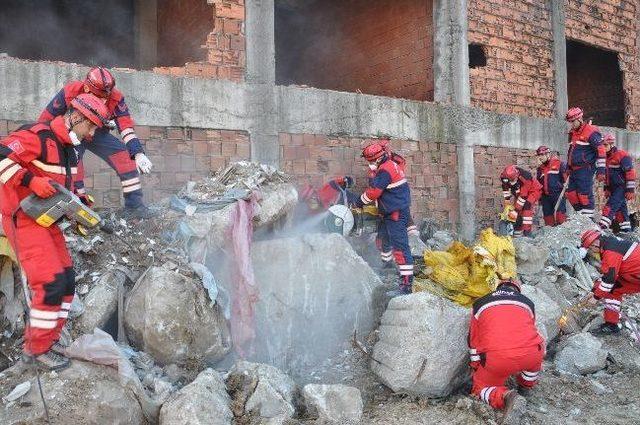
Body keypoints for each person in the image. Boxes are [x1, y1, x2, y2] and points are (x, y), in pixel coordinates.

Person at [1, 93, 110, 370]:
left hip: (46, 219)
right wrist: (30, 180)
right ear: (76, 117)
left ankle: (49, 340)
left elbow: (67, 188)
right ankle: (35, 353)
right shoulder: (38, 136)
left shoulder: (71, 151)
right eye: (91, 126)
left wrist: (81, 205)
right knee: (50, 283)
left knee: (66, 280)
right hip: (23, 218)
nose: (92, 133)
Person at [38, 67, 153, 217]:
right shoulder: (70, 91)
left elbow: (125, 126)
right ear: (86, 88)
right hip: (74, 132)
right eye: (99, 96)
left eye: (106, 96)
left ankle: (135, 207)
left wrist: (137, 153)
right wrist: (57, 139)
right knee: (74, 169)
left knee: (125, 158)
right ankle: (77, 210)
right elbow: (45, 119)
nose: (103, 101)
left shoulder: (115, 97)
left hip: (97, 132)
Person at [469, 278, 544, 413]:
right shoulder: (528, 302)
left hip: (498, 359)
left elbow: (474, 340)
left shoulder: (480, 303)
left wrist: (476, 366)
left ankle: (505, 396)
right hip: (532, 354)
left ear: (498, 288)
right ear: (517, 290)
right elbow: (530, 328)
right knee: (533, 358)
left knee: (479, 388)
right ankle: (525, 387)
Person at [354, 141, 413, 294]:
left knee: (400, 248)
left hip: (395, 213)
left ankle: (406, 286)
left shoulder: (385, 170)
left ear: (378, 158)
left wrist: (359, 202)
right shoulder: (390, 164)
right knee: (383, 240)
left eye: (371, 161)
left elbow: (374, 192)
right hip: (392, 211)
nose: (370, 164)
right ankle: (387, 266)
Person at [582, 229, 640, 335]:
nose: (593, 253)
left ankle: (611, 325)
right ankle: (611, 325)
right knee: (613, 290)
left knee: (610, 288)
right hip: (633, 275)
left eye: (591, 249)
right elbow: (607, 276)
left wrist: (596, 298)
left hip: (635, 275)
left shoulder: (610, 251)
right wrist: (593, 291)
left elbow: (609, 280)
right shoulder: (609, 244)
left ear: (595, 244)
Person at [565, 107, 605, 219]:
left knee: (584, 194)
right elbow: (571, 151)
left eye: (573, 122)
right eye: (570, 122)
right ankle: (581, 216)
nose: (571, 124)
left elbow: (600, 151)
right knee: (571, 194)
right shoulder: (573, 133)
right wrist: (568, 166)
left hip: (585, 168)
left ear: (579, 119)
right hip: (574, 169)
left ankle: (589, 220)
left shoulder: (592, 131)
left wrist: (601, 170)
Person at [599, 134, 635, 233]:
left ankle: (601, 227)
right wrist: (606, 188)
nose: (603, 147)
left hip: (621, 187)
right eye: (601, 145)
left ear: (611, 144)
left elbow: (630, 172)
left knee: (610, 206)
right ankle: (627, 232)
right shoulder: (604, 158)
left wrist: (630, 190)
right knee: (621, 212)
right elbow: (606, 175)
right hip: (613, 188)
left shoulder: (622, 155)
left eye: (605, 145)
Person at [500, 165, 542, 237]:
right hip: (520, 192)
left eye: (515, 179)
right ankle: (517, 235)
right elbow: (505, 189)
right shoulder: (504, 177)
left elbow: (523, 196)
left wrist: (515, 210)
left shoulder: (526, 176)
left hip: (534, 190)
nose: (514, 181)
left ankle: (527, 232)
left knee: (526, 207)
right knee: (518, 213)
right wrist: (507, 203)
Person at [535, 146, 567, 226]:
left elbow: (566, 180)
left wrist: (564, 191)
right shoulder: (540, 169)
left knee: (560, 218)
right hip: (545, 197)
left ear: (547, 154)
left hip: (558, 195)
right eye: (539, 155)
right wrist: (539, 198)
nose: (540, 157)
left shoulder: (559, 164)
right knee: (548, 220)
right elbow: (538, 184)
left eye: (541, 155)